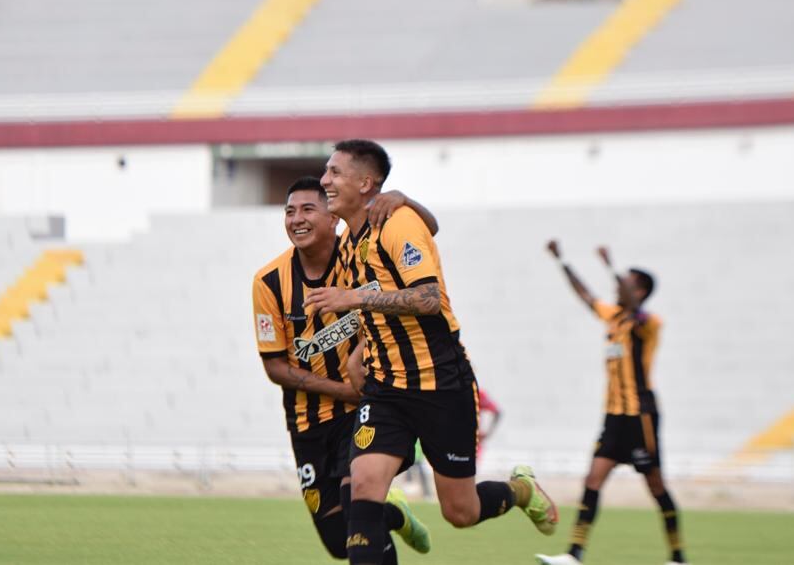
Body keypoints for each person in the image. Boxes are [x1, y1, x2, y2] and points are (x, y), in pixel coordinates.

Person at [304, 139, 559, 565]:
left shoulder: (398, 221)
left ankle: (521, 490)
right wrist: (359, 352)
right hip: (386, 390)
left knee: (461, 512)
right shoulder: (349, 241)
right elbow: (381, 295)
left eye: (334, 172)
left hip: (442, 384)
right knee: (362, 488)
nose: (324, 180)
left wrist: (353, 300)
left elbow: (426, 298)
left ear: (366, 183)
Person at [252, 177, 438, 561]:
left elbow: (429, 229)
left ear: (333, 218)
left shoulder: (360, 255)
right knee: (339, 543)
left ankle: (373, 508)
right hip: (309, 421)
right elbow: (275, 366)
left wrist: (403, 199)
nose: (296, 219)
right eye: (290, 211)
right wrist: (340, 390)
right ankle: (392, 513)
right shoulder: (268, 282)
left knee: (358, 514)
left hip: (367, 408)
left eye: (308, 209)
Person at [537, 241, 687, 565]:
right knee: (593, 480)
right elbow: (586, 295)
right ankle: (573, 555)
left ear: (641, 291)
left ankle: (678, 557)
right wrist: (562, 260)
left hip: (641, 416)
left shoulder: (648, 324)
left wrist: (611, 266)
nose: (617, 287)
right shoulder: (614, 317)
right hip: (614, 417)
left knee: (656, 484)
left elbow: (634, 305)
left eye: (626, 283)